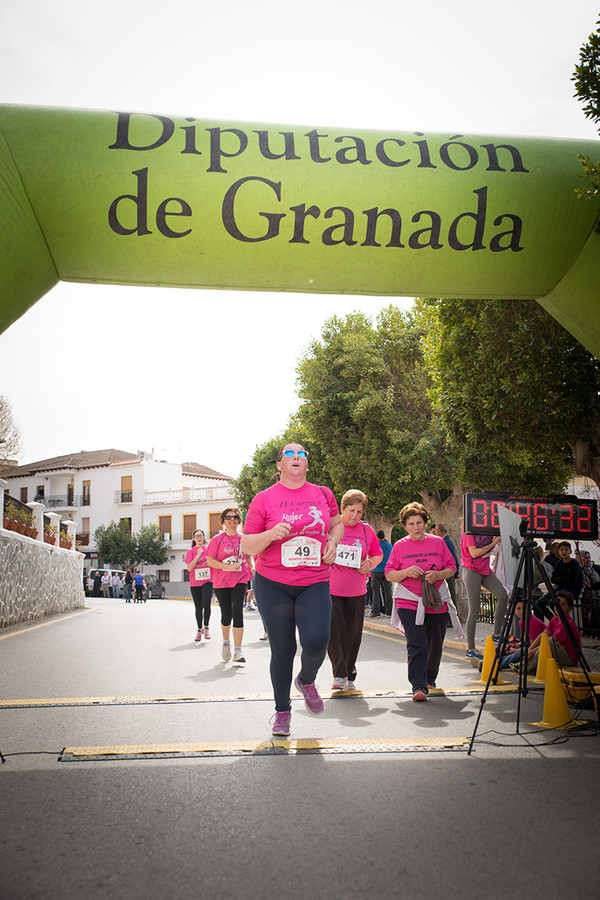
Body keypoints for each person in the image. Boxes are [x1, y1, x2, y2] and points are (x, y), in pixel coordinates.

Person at [241, 442, 343, 736]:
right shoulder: (264, 499)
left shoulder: (323, 494)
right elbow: (247, 544)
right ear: (279, 465)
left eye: (302, 455)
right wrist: (271, 534)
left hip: (314, 580)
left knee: (316, 641)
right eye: (290, 454)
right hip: (273, 583)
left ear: (307, 465)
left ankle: (307, 680)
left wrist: (333, 542)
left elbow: (336, 525)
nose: (296, 457)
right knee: (282, 649)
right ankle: (282, 711)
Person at [385, 502, 456, 701]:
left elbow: (452, 568)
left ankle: (430, 679)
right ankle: (418, 686)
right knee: (416, 642)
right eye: (411, 524)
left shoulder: (438, 543)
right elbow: (389, 574)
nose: (416, 527)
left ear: (426, 523)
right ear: (405, 526)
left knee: (435, 643)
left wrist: (438, 574)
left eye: (419, 522)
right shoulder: (399, 546)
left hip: (435, 599)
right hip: (409, 601)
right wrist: (406, 572)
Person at [327, 490, 382, 691]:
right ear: (342, 508)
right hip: (331, 588)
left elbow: (377, 554)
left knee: (353, 634)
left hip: (357, 590)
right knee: (334, 631)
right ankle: (339, 674)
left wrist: (369, 564)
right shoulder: (331, 527)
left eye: (359, 511)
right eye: (351, 510)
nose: (355, 515)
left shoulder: (367, 531)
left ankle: (350, 673)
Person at [206, 508, 253, 666]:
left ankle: (238, 650)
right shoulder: (216, 540)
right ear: (223, 521)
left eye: (235, 517)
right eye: (228, 517)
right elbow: (210, 561)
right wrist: (226, 567)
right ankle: (226, 643)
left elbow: (248, 555)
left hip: (240, 578)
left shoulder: (243, 538)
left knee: (237, 612)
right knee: (226, 615)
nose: (232, 520)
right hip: (221, 581)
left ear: (239, 521)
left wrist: (252, 566)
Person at [461, 531, 508, 664]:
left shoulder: (488, 530)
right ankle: (470, 649)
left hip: (485, 570)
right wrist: (494, 543)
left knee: (503, 596)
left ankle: (496, 635)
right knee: (474, 610)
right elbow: (474, 553)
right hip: (471, 571)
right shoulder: (468, 532)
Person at [511, 590, 582, 673]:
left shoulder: (567, 623)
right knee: (545, 640)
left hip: (570, 657)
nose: (558, 606)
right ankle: (527, 663)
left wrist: (532, 652)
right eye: (557, 604)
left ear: (570, 608)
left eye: (562, 604)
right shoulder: (555, 619)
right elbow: (543, 634)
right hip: (560, 651)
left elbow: (551, 641)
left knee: (548, 642)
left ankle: (528, 665)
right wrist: (530, 649)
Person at [534, 541, 583, 621]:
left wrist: (561, 579)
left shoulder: (574, 564)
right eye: (561, 550)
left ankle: (563, 622)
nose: (563, 552)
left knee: (553, 603)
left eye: (566, 550)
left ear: (570, 551)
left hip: (571, 590)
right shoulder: (559, 563)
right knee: (539, 603)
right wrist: (563, 579)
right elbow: (554, 578)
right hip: (560, 589)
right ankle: (555, 620)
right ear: (559, 551)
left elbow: (571, 581)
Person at [494, 600, 546, 670]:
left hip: (538, 649)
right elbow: (527, 638)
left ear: (529, 609)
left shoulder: (532, 623)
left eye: (524, 608)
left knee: (517, 654)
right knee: (502, 650)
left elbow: (532, 646)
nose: (522, 611)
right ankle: (491, 661)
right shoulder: (521, 622)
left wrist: (515, 650)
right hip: (530, 647)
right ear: (514, 611)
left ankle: (493, 665)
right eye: (518, 609)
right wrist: (516, 645)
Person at [185, 528, 213, 641]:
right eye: (197, 536)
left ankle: (206, 627)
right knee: (198, 607)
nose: (199, 537)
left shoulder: (209, 549)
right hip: (195, 583)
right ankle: (199, 629)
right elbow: (189, 568)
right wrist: (198, 554)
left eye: (201, 535)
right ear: (194, 539)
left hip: (207, 581)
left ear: (204, 537)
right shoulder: (190, 551)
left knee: (206, 603)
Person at [433, 522, 461, 623]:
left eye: (436, 530)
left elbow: (453, 558)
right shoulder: (444, 541)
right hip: (446, 572)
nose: (435, 532)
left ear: (440, 531)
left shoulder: (446, 542)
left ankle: (452, 619)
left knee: (450, 596)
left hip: (448, 573)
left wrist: (456, 572)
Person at [369, 530, 393, 617]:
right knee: (388, 591)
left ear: (377, 537)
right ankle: (389, 612)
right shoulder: (389, 545)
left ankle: (375, 612)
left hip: (376, 569)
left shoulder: (375, 545)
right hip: (386, 570)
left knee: (375, 591)